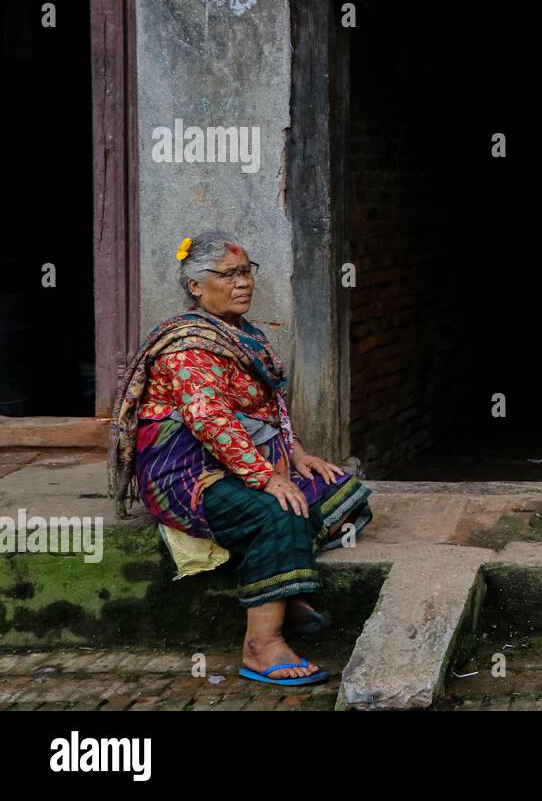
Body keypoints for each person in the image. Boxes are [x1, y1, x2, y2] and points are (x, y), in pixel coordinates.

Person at [108, 230, 374, 684]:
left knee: (341, 496)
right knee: (279, 510)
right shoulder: (190, 345)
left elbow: (267, 407)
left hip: (235, 459)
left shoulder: (242, 334)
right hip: (186, 474)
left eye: (246, 272)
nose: (243, 282)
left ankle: (285, 593)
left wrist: (296, 453)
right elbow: (208, 417)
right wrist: (267, 477)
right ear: (195, 285)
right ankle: (261, 645)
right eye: (229, 274)